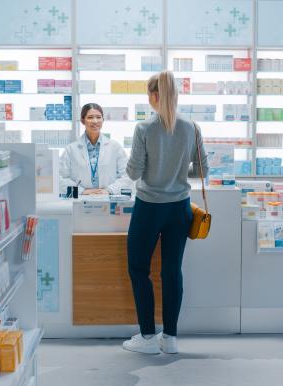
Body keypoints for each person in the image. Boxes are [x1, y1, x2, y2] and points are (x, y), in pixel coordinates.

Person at [123, 70, 209, 355]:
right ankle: (170, 338)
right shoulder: (191, 127)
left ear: (154, 96)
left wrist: (151, 165)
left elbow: (134, 172)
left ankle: (147, 337)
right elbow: (202, 171)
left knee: (138, 268)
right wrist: (176, 167)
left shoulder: (144, 128)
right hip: (179, 209)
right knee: (172, 271)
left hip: (149, 208)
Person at [59, 103, 131, 195]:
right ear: (82, 121)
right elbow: (60, 178)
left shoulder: (114, 147)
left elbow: (127, 175)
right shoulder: (71, 149)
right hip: (81, 199)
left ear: (103, 120)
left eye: (98, 117)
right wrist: (81, 191)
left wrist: (109, 190)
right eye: (90, 117)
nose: (95, 121)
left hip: (108, 198)